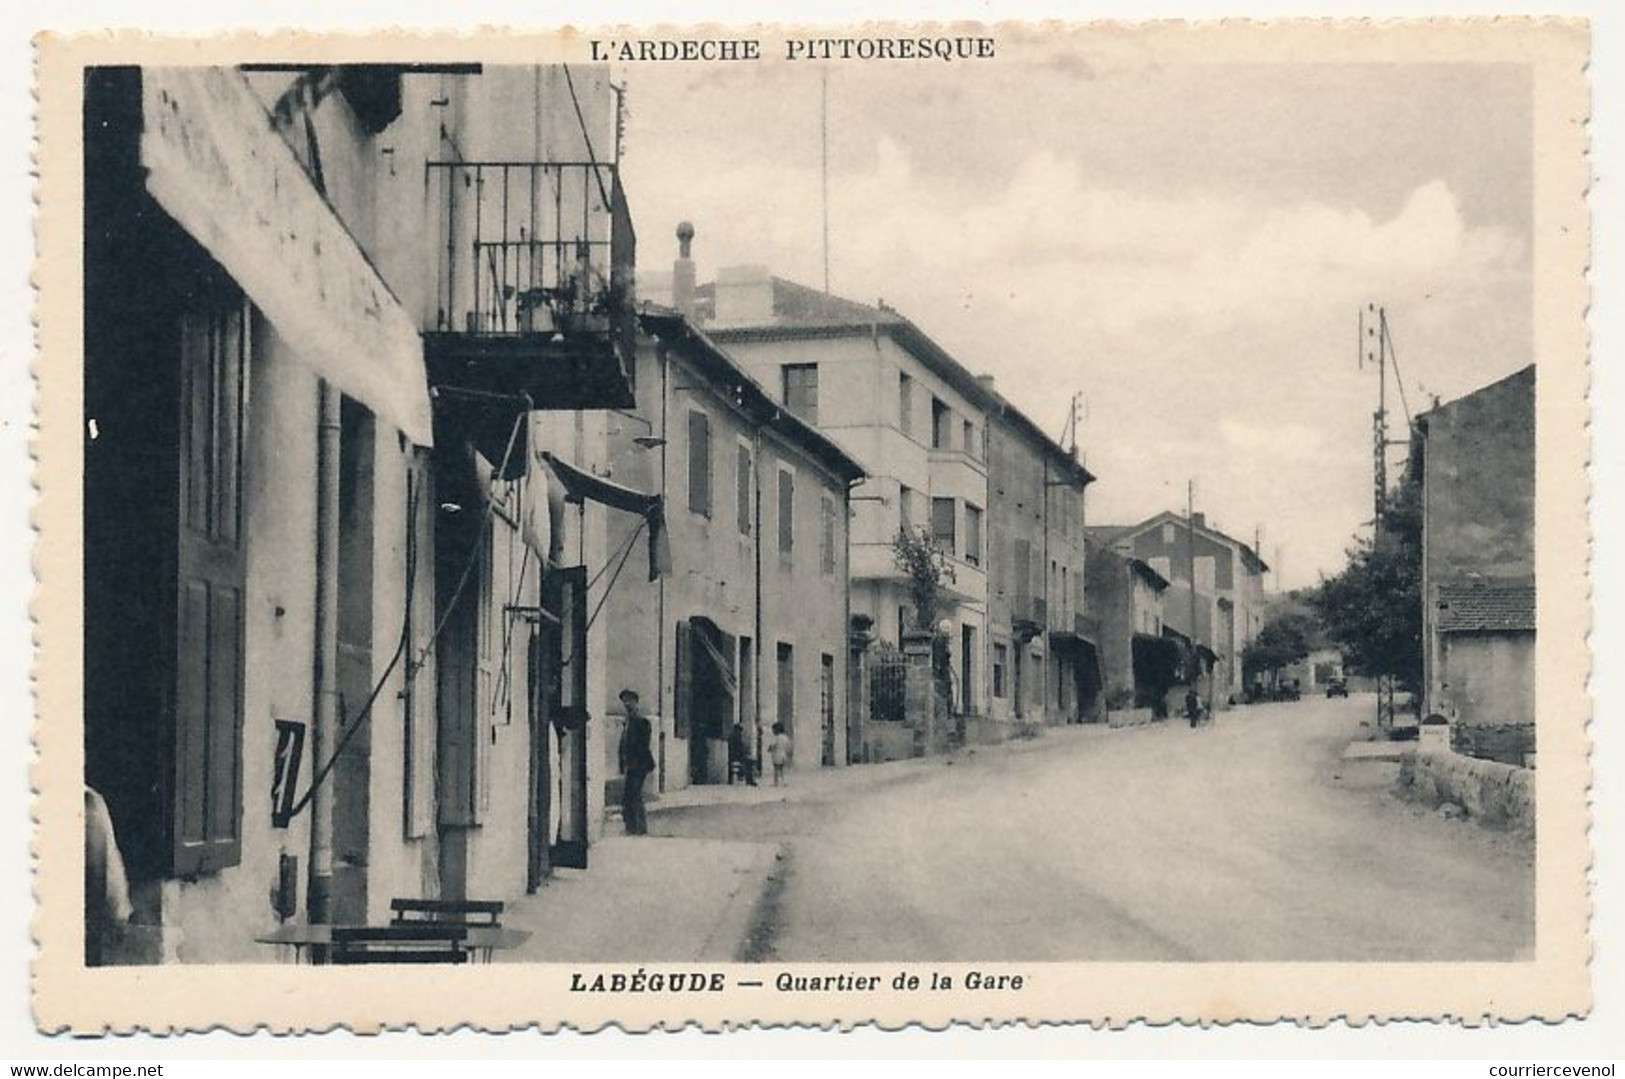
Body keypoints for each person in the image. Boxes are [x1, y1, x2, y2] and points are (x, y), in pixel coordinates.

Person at [617, 689, 655, 835]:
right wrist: (622, 761)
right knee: (630, 795)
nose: (627, 704)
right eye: (624, 701)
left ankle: (638, 827)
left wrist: (635, 762)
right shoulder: (628, 721)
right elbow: (623, 744)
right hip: (631, 764)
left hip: (639, 764)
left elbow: (643, 745)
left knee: (634, 794)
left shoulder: (641, 721)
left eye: (629, 700)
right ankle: (633, 827)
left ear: (636, 702)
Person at [728, 721, 756, 786]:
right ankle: (749, 779)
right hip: (737, 756)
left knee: (749, 762)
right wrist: (745, 753)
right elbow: (740, 747)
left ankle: (746, 777)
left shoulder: (732, 736)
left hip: (735, 755)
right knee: (750, 762)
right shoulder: (736, 736)